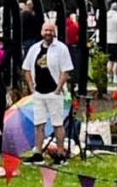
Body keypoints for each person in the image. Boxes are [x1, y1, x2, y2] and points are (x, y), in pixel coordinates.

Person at [21, 16, 76, 161]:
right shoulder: (34, 48)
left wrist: (59, 88)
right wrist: (31, 88)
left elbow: (66, 70)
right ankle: (38, 153)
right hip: (39, 93)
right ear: (41, 32)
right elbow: (26, 69)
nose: (48, 33)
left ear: (55, 32)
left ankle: (60, 153)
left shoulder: (61, 48)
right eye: (46, 30)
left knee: (58, 123)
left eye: (51, 30)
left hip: (54, 92)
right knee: (39, 123)